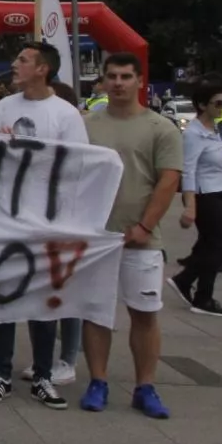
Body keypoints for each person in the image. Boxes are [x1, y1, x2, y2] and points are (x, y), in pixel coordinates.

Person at [0, 42, 85, 410]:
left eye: (23, 60)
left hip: (47, 221)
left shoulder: (65, 114)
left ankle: (43, 376)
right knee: (5, 297)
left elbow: (76, 166)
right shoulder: (4, 107)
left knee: (43, 300)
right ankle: (0, 374)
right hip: (7, 218)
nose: (14, 64)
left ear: (42, 69)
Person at [79, 53, 182, 418]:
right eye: (112, 76)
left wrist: (144, 226)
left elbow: (168, 181)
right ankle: (98, 381)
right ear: (103, 81)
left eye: (125, 76)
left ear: (139, 80)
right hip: (97, 238)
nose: (118, 83)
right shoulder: (86, 125)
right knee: (96, 313)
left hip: (142, 240)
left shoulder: (160, 128)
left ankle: (145, 386)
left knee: (144, 314)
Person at [170, 80, 222, 316]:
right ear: (203, 105)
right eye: (218, 103)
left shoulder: (213, 129)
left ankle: (185, 280)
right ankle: (203, 298)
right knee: (217, 244)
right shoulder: (193, 134)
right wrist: (190, 206)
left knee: (213, 243)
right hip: (206, 194)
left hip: (221, 189)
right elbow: (188, 170)